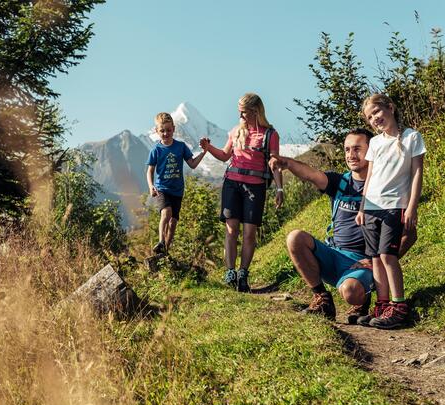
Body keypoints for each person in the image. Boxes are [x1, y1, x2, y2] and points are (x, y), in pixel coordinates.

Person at [269, 128, 417, 324]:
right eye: (347, 150)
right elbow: (311, 175)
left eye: (357, 149)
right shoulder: (340, 182)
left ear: (372, 150)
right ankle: (322, 299)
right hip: (332, 254)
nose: (350, 155)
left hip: (362, 262)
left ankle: (362, 300)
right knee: (295, 237)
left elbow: (410, 233)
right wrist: (286, 162)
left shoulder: (385, 187)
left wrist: (377, 263)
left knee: (351, 291)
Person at [199, 93, 283, 292]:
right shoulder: (236, 131)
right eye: (239, 113)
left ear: (255, 111)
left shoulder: (270, 134)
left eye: (244, 113)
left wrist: (279, 188)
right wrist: (208, 147)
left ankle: (243, 274)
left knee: (249, 233)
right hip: (232, 184)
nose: (241, 116)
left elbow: (275, 164)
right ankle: (230, 272)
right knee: (231, 230)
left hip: (255, 186)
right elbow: (224, 156)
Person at [354, 94, 426, 329]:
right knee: (376, 258)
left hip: (395, 206)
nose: (374, 119)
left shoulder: (411, 137)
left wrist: (412, 206)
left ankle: (399, 306)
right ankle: (383, 304)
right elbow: (370, 176)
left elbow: (416, 174)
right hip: (371, 208)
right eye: (370, 117)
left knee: (388, 255)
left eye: (377, 112)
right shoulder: (374, 143)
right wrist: (362, 207)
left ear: (390, 108)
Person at [147, 112, 207, 254]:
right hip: (162, 188)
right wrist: (151, 186)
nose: (166, 133)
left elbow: (192, 164)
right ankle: (161, 241)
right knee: (166, 213)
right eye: (162, 130)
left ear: (173, 129)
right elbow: (150, 171)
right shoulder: (156, 150)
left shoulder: (180, 146)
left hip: (177, 191)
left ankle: (165, 251)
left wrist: (204, 152)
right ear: (157, 131)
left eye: (168, 130)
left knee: (173, 223)